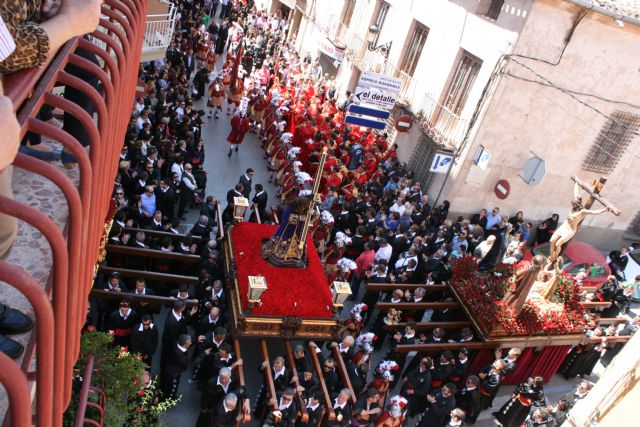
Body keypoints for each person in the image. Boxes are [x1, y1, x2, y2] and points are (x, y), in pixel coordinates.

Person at [159, 334, 191, 400]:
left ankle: (161, 395)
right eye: (189, 342)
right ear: (185, 344)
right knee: (172, 387)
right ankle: (169, 398)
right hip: (174, 374)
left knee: (164, 384)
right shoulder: (182, 357)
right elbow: (184, 367)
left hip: (167, 367)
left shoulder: (175, 343)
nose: (190, 343)